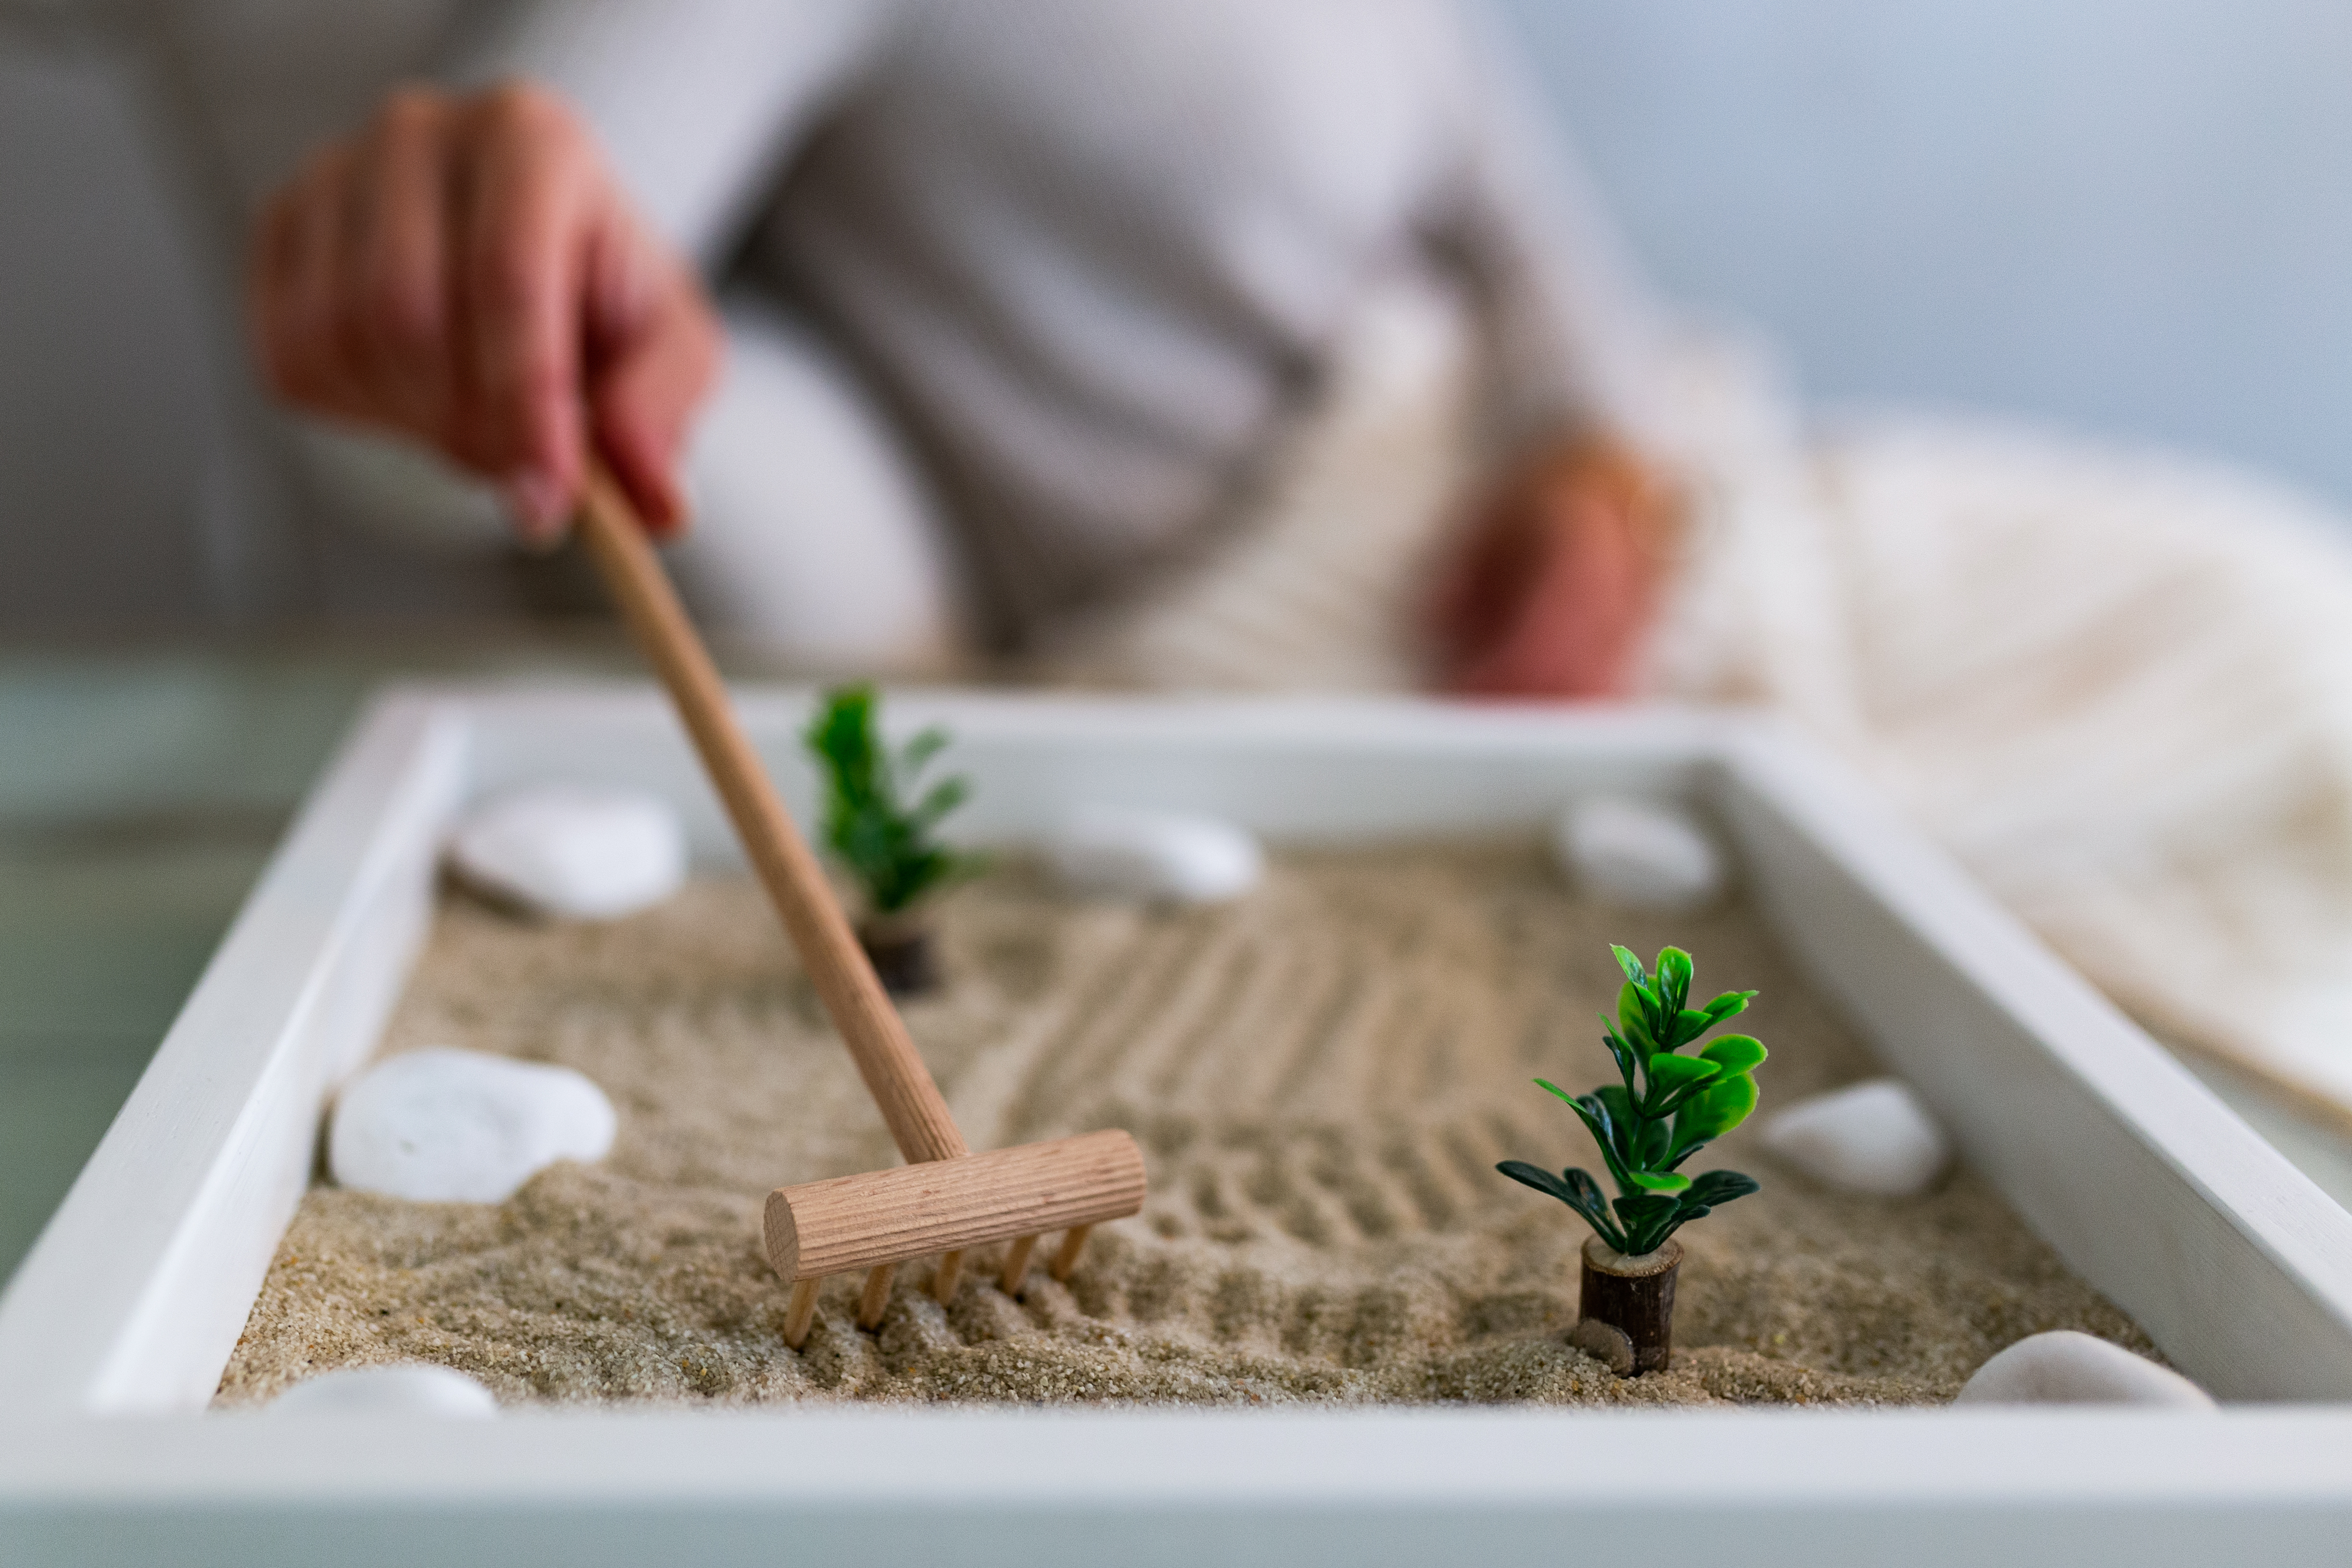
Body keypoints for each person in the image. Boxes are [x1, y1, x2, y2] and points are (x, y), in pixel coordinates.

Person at [246, 0, 1681, 693]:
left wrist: (1589, 474)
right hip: (1252, 614)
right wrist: (423, 280)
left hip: (1504, 518)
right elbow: (489, 334)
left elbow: (1541, 257)